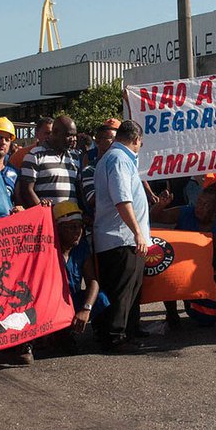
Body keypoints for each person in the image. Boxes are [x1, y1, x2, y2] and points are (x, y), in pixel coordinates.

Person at [92, 120, 151, 353]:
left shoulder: (117, 158)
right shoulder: (118, 159)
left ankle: (128, 331)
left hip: (125, 237)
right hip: (121, 237)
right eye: (140, 143)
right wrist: (137, 232)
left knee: (131, 290)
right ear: (136, 139)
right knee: (122, 291)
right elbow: (122, 199)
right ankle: (115, 336)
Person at [151, 186, 216, 326]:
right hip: (177, 271)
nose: (199, 207)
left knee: (207, 320)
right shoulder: (186, 212)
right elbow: (155, 216)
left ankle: (190, 301)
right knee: (166, 268)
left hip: (203, 277)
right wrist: (160, 205)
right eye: (198, 202)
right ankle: (172, 313)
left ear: (215, 209)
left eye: (205, 204)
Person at [53, 201, 108, 340]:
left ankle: (102, 336)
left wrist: (86, 308)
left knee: (101, 298)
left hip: (72, 301)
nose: (78, 231)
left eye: (80, 226)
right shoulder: (48, 250)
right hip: (52, 305)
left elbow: (92, 281)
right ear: (58, 228)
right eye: (72, 227)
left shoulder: (81, 247)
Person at [15, 115, 79, 208]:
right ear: (56, 132)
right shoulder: (35, 155)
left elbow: (78, 189)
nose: (73, 139)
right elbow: (26, 190)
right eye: (69, 135)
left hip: (71, 219)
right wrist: (43, 211)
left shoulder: (74, 158)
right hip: (46, 219)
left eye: (74, 135)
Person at [80, 121, 118, 214]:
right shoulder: (90, 170)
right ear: (97, 141)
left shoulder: (121, 166)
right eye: (112, 139)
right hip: (105, 224)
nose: (116, 143)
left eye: (118, 140)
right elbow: (92, 199)